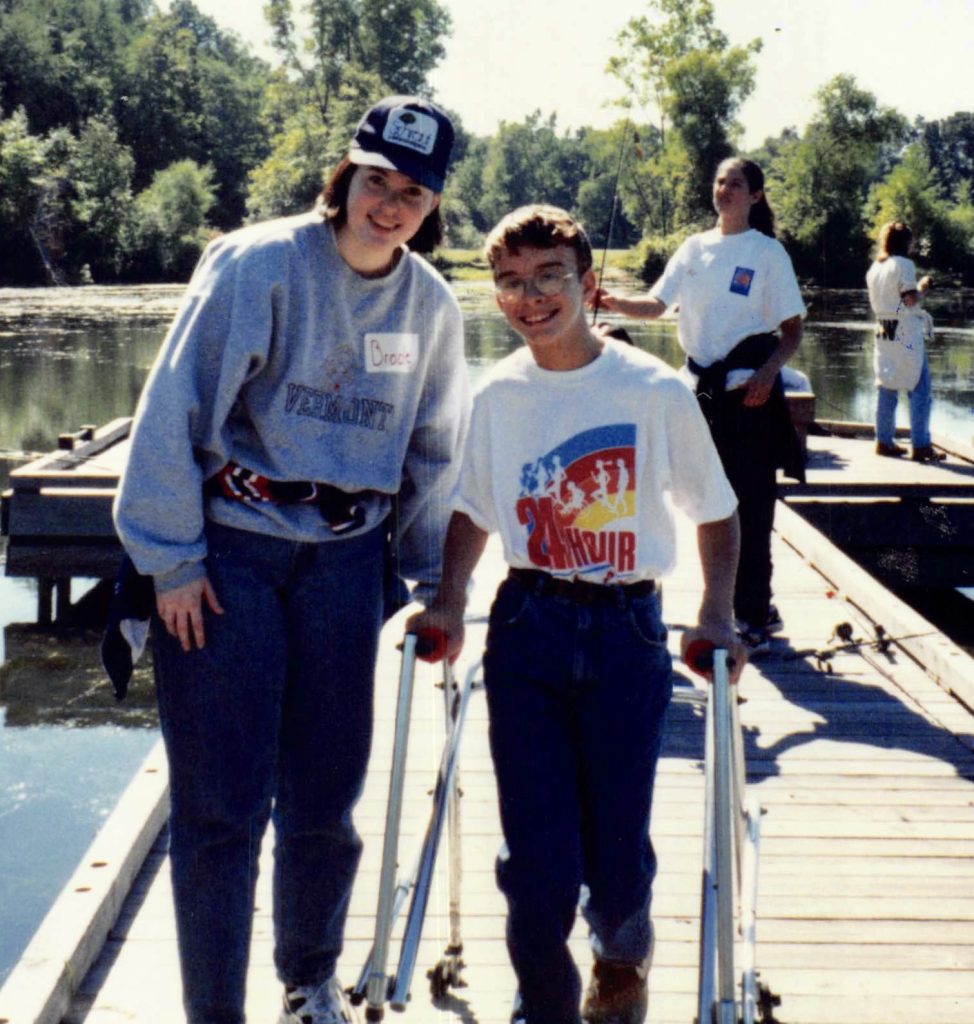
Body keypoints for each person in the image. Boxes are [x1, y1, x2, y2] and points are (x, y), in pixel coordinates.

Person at [113, 95, 470, 1024]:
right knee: (220, 812)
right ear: (347, 174)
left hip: (348, 568)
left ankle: (309, 980)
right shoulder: (260, 263)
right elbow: (173, 411)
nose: (389, 206)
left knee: (325, 802)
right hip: (231, 555)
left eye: (414, 193)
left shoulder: (430, 305)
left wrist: (438, 587)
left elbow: (435, 451)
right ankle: (213, 1012)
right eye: (377, 181)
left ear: (433, 207)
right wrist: (170, 559)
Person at [408, 205, 744, 1024]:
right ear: (497, 299)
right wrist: (450, 599)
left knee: (616, 840)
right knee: (536, 854)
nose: (532, 297)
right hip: (528, 624)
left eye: (549, 277)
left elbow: (716, 511)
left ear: (589, 286)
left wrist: (716, 613)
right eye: (512, 283)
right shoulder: (498, 396)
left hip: (628, 630)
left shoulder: (652, 389)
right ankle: (545, 1003)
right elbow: (474, 510)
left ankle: (622, 956)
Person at [592, 157, 806, 656]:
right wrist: (615, 302)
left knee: (751, 504)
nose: (724, 189)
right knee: (680, 487)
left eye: (735, 183)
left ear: (755, 195)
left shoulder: (768, 253)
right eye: (719, 181)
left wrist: (768, 374)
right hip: (703, 389)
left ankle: (752, 613)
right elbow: (657, 305)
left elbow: (792, 332)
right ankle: (657, 594)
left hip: (749, 388)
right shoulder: (693, 249)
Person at [866, 221, 944, 462]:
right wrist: (924, 286)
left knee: (886, 383)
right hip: (904, 330)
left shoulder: (874, 269)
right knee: (920, 387)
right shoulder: (904, 265)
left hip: (883, 328)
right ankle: (921, 446)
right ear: (906, 243)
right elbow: (910, 299)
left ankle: (884, 441)